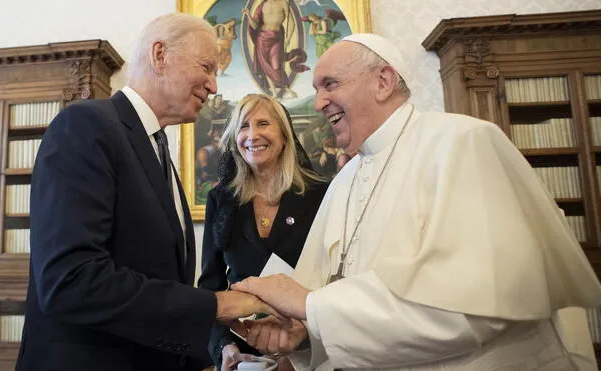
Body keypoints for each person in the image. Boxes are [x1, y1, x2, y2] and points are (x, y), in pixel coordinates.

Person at [231, 33, 601, 370]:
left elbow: (470, 311)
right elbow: (333, 295)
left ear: (383, 81)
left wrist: (310, 308)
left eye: (330, 84)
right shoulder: (343, 180)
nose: (320, 101)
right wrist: (306, 333)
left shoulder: (462, 142)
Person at [15, 13, 280, 371]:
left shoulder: (157, 151)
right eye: (206, 67)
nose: (214, 86)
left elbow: (159, 280)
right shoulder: (85, 127)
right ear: (160, 55)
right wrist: (215, 305)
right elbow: (70, 280)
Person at [198, 94, 329, 371]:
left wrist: (300, 350)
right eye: (243, 126)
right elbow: (210, 288)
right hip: (245, 355)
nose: (252, 135)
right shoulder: (220, 200)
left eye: (263, 123)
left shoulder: (322, 194)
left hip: (310, 350)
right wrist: (225, 348)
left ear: (284, 136)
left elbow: (335, 280)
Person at [243, 0, 308, 99]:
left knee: (276, 65)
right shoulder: (262, 5)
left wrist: (288, 39)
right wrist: (248, 15)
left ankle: (287, 89)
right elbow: (255, 26)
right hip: (262, 37)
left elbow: (291, 23)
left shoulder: (283, 3)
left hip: (277, 38)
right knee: (265, 66)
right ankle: (273, 92)